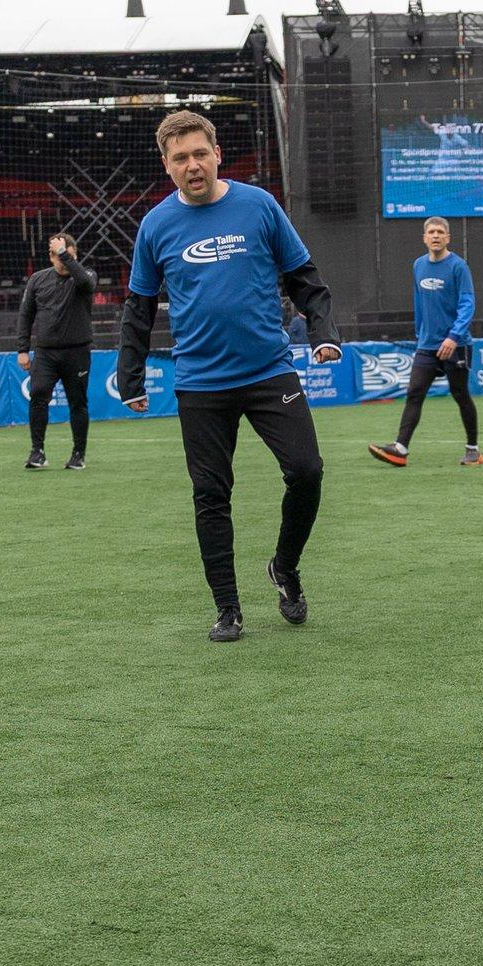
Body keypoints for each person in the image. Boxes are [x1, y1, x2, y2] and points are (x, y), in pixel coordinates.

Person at [118, 110, 342, 641]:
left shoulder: (260, 206)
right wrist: (131, 376)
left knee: (307, 471)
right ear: (166, 166)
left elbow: (306, 281)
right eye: (180, 158)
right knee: (211, 495)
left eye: (200, 153)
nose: (192, 165)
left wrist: (323, 333)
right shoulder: (155, 226)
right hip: (200, 384)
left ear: (217, 153)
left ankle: (284, 567)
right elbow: (138, 308)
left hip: (270, 373)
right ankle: (228, 607)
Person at [368, 217, 482, 467]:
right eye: (431, 232)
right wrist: (421, 332)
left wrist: (454, 337)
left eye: (440, 232)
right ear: (424, 237)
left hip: (456, 345)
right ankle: (400, 448)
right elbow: (419, 301)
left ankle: (473, 450)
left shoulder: (459, 267)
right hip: (427, 346)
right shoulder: (418, 265)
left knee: (460, 394)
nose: (436, 236)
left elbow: (467, 303)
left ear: (448, 237)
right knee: (414, 393)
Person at [16, 232, 96, 470]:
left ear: (74, 255)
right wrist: (22, 349)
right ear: (50, 257)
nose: (63, 260)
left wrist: (66, 254)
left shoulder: (86, 276)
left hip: (77, 352)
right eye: (59, 255)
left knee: (77, 403)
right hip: (46, 353)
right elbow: (26, 315)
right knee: (38, 395)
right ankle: (37, 451)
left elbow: (84, 282)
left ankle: (78, 454)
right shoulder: (37, 280)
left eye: (68, 255)